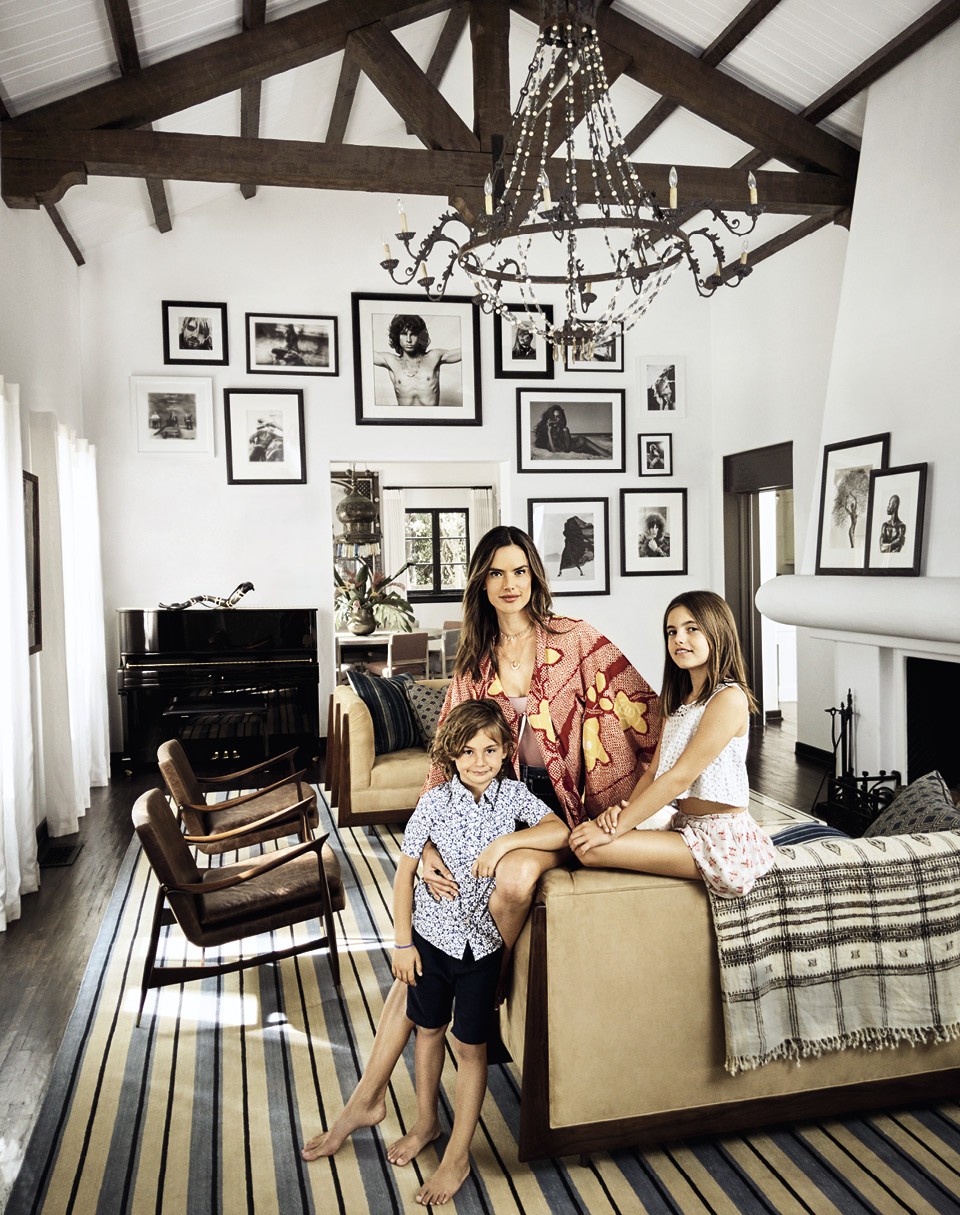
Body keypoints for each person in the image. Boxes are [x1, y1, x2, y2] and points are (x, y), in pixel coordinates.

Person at [301, 699, 568, 1207]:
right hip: (430, 941)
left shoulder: (514, 797)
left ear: (506, 752)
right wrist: (402, 944)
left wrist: (503, 847)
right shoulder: (434, 803)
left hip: (481, 948)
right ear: (450, 755)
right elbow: (404, 875)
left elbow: (558, 830)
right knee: (427, 1031)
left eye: (490, 750)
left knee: (470, 1047)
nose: (479, 761)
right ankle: (426, 1123)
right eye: (467, 752)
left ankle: (458, 1156)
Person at [570, 591, 776, 899]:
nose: (679, 638)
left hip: (720, 837)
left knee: (589, 849)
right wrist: (622, 815)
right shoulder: (679, 702)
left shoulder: (729, 698)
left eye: (692, 629)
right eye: (671, 631)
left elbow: (680, 777)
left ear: (718, 632)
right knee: (586, 839)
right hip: (685, 824)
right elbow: (654, 771)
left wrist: (617, 828)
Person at [374, 313, 461, 407]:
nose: (408, 340)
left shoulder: (434, 357)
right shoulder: (391, 361)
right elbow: (363, 352)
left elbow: (466, 351)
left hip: (432, 416)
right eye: (404, 334)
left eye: (413, 334)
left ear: (420, 336)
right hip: (404, 416)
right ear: (397, 336)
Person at [532, 404, 608, 457]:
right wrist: (549, 432)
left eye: (557, 417)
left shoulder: (564, 429)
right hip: (576, 448)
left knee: (606, 454)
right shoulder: (548, 430)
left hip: (582, 443)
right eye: (553, 416)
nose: (555, 419)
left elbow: (567, 450)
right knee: (600, 453)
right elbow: (553, 450)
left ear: (561, 418)